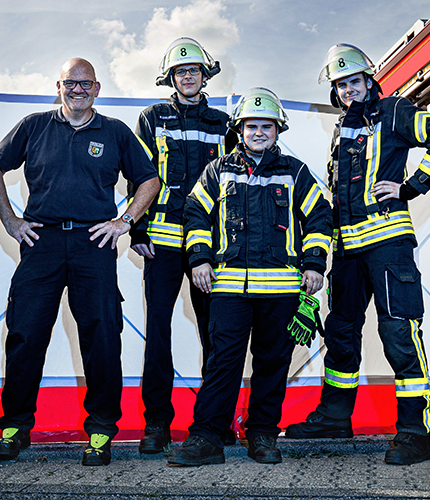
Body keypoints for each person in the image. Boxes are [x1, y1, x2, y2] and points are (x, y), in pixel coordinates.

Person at [283, 44, 430, 466]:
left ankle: (416, 434)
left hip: (388, 248)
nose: (348, 90)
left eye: (354, 81)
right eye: (341, 85)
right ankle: (333, 416)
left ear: (369, 79)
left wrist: (411, 186)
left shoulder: (395, 111)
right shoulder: (341, 129)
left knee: (399, 335)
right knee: (341, 335)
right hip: (347, 253)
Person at [0, 58, 160, 467]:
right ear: (58, 86)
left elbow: (149, 179)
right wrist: (11, 220)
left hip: (92, 244)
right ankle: (14, 427)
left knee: (101, 337)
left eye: (85, 84)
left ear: (97, 88)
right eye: (70, 83)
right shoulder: (33, 125)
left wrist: (125, 221)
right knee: (25, 334)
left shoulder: (114, 131)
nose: (77, 90)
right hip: (41, 242)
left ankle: (100, 431)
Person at [167, 88, 332, 466]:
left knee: (272, 364)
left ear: (278, 130)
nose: (259, 133)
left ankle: (262, 434)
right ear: (239, 130)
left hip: (281, 291)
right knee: (222, 363)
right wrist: (199, 259)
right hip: (227, 291)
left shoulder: (295, 172)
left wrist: (313, 264)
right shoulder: (218, 170)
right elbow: (195, 214)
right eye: (251, 126)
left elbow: (320, 218)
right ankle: (207, 437)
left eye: (266, 127)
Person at [130, 37, 237, 455]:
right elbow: (139, 173)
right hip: (160, 243)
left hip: (209, 248)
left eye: (193, 70)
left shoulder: (225, 123)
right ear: (170, 77)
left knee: (217, 334)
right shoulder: (151, 117)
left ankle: (213, 424)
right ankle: (156, 423)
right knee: (159, 334)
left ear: (205, 74)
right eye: (180, 71)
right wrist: (137, 228)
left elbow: (232, 183)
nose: (187, 76)